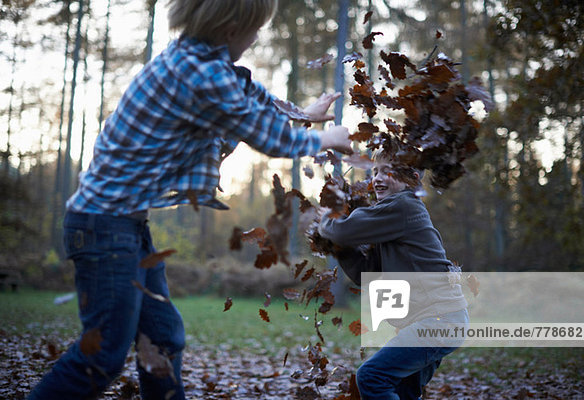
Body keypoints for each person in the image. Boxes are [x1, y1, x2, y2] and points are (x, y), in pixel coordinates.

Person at [28, 1, 351, 399]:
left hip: (122, 225)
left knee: (162, 337)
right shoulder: (198, 72)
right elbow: (268, 138)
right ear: (232, 28)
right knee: (103, 355)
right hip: (103, 228)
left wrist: (304, 113)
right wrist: (326, 139)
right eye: (254, 30)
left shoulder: (199, 60)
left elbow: (248, 93)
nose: (255, 40)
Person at [318, 149, 468, 400]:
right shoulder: (392, 219)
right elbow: (367, 274)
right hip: (437, 321)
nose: (377, 178)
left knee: (371, 377)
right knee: (404, 393)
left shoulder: (403, 205)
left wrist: (326, 222)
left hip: (439, 320)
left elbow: (342, 231)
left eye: (388, 171)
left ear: (412, 178)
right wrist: (338, 248)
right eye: (375, 171)